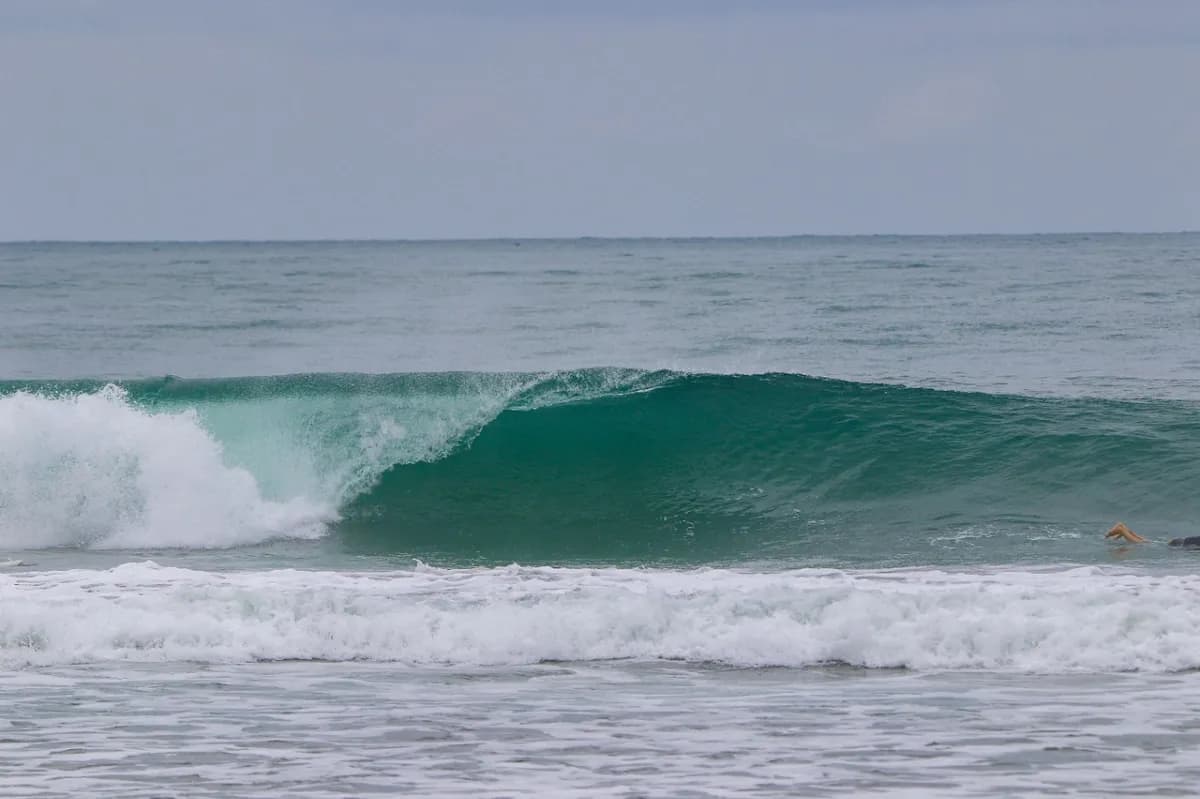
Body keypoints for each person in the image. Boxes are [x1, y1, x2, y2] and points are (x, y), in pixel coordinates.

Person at [1105, 521, 1200, 548]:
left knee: (1145, 542)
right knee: (1139, 543)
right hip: (1178, 543)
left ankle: (1123, 528)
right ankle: (1122, 530)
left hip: (1179, 541)